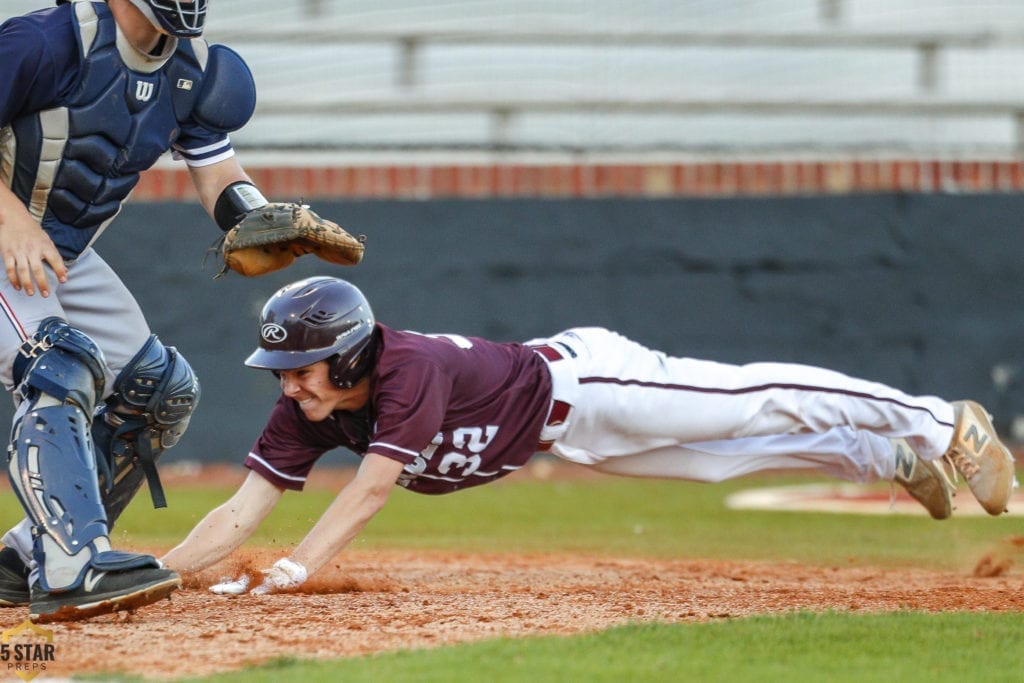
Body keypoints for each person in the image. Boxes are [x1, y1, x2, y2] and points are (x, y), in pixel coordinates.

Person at [161, 276, 1018, 595]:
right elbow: (242, 509)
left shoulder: (404, 368)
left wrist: (295, 567)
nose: (290, 382)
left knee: (751, 401)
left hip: (591, 385)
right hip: (564, 439)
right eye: (283, 369)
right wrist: (147, 576)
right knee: (725, 460)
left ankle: (941, 421)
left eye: (305, 365)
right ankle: (890, 456)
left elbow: (372, 490)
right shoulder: (307, 408)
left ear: (350, 353)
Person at [0, 0, 325, 622]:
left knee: (157, 390)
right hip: (8, 232)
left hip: (60, 249)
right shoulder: (44, 42)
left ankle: (25, 556)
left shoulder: (196, 70)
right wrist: (11, 221)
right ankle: (73, 563)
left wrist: (257, 220)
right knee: (56, 363)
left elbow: (217, 170)